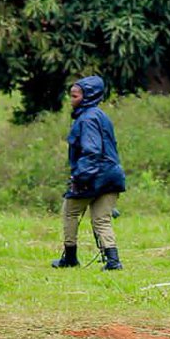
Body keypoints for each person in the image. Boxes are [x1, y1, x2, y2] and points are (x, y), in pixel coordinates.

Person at [52, 76, 126, 271]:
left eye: (75, 96)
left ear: (88, 96)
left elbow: (91, 151)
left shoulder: (87, 119)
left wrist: (80, 179)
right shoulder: (101, 116)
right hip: (112, 175)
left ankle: (70, 258)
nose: (71, 99)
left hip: (94, 174)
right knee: (102, 218)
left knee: (70, 212)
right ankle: (113, 261)